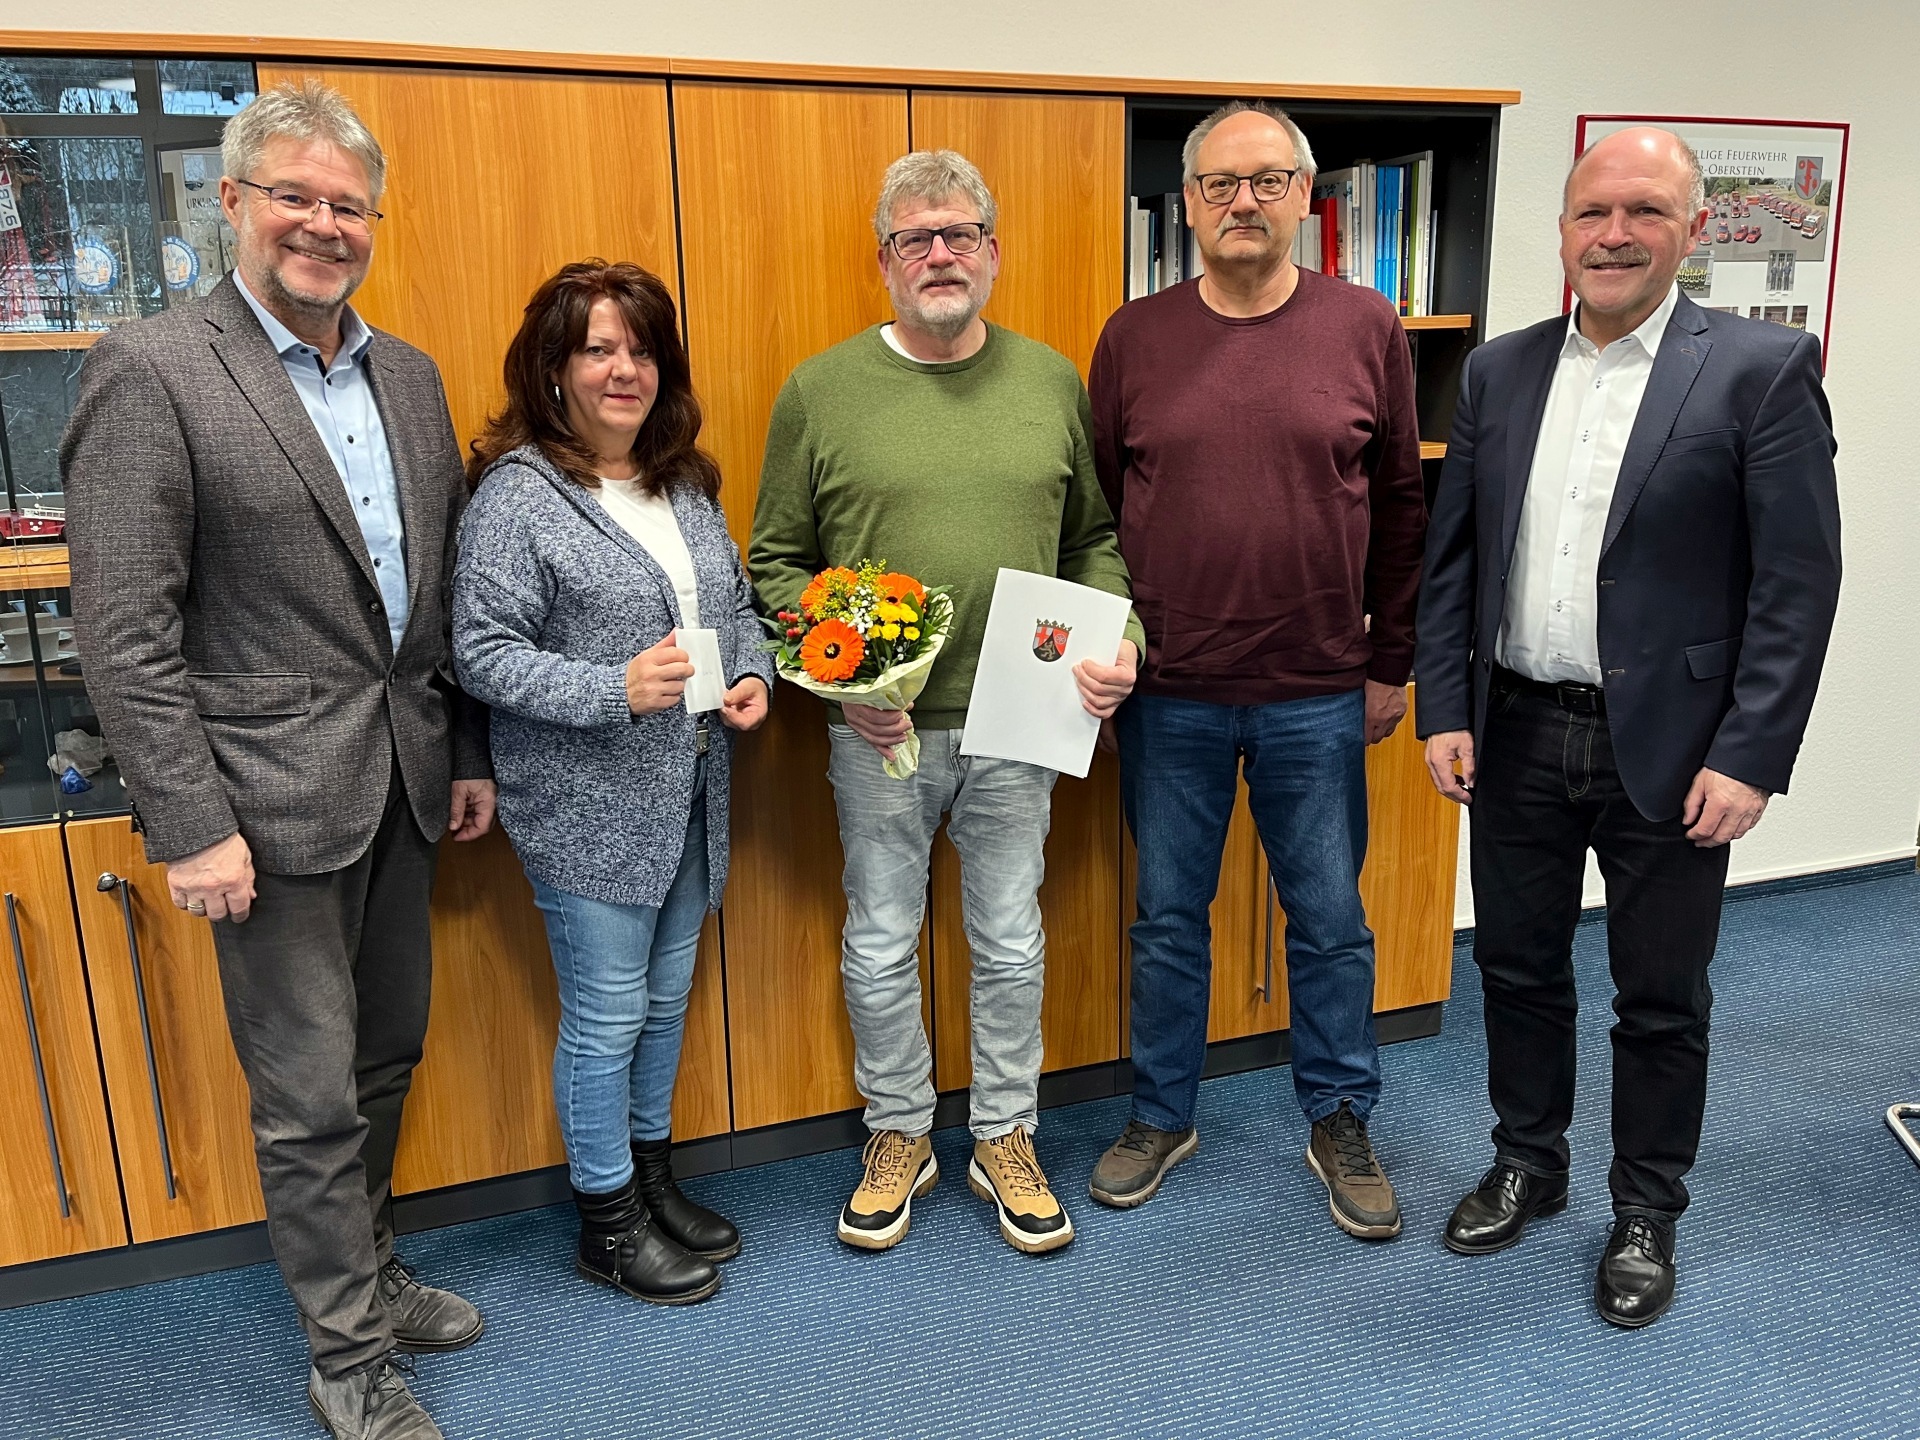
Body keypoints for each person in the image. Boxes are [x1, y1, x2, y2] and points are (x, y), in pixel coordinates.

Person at [63, 80, 493, 1440]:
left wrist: (463, 748)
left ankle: (369, 1270)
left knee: (385, 1059)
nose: (323, 225)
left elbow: (432, 599)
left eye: (348, 205)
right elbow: (123, 630)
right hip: (258, 805)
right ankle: (347, 1360)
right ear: (233, 202)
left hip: (404, 779)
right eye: (294, 197)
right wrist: (190, 824)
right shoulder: (150, 368)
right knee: (308, 1102)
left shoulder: (409, 375)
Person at [1415, 127, 1841, 1327]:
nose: (1615, 235)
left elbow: (1797, 583)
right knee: (1516, 968)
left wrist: (1750, 755)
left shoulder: (1762, 368)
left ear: (1692, 230)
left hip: (1677, 748)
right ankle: (1528, 1161)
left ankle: (1647, 1206)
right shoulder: (1498, 372)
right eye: (1593, 213)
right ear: (1562, 230)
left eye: (1645, 211)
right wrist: (1444, 706)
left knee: (1661, 995)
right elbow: (1454, 561)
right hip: (1513, 730)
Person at [749, 149, 1145, 1256]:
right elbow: (775, 561)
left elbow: (1094, 541)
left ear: (992, 252)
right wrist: (837, 680)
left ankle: (1005, 1135)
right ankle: (900, 1132)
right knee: (881, 942)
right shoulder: (819, 390)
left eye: (958, 234)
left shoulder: (1051, 381)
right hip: (879, 735)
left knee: (1010, 942)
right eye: (915, 238)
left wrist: (1122, 641)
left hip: (1024, 719)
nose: (939, 254)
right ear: (884, 259)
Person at [1085, 101, 1426, 1240]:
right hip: (1169, 694)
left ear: (1304, 198)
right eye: (1221, 183)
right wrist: (1105, 659)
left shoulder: (1365, 325)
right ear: (1186, 202)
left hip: (1318, 689)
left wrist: (1391, 661)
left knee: (1328, 921)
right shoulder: (1133, 337)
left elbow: (1402, 505)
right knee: (1166, 922)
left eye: (1269, 181)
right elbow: (1097, 515)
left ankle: (1339, 1116)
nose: (1245, 201)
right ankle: (1161, 1115)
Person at [454, 261, 772, 1305]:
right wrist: (612, 688)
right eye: (598, 349)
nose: (623, 369)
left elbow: (735, 608)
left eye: (640, 349)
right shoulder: (517, 496)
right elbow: (480, 652)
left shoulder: (683, 482)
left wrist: (754, 677)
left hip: (691, 791)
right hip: (585, 809)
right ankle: (607, 1221)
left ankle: (651, 1179)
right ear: (554, 369)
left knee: (665, 1002)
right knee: (606, 1014)